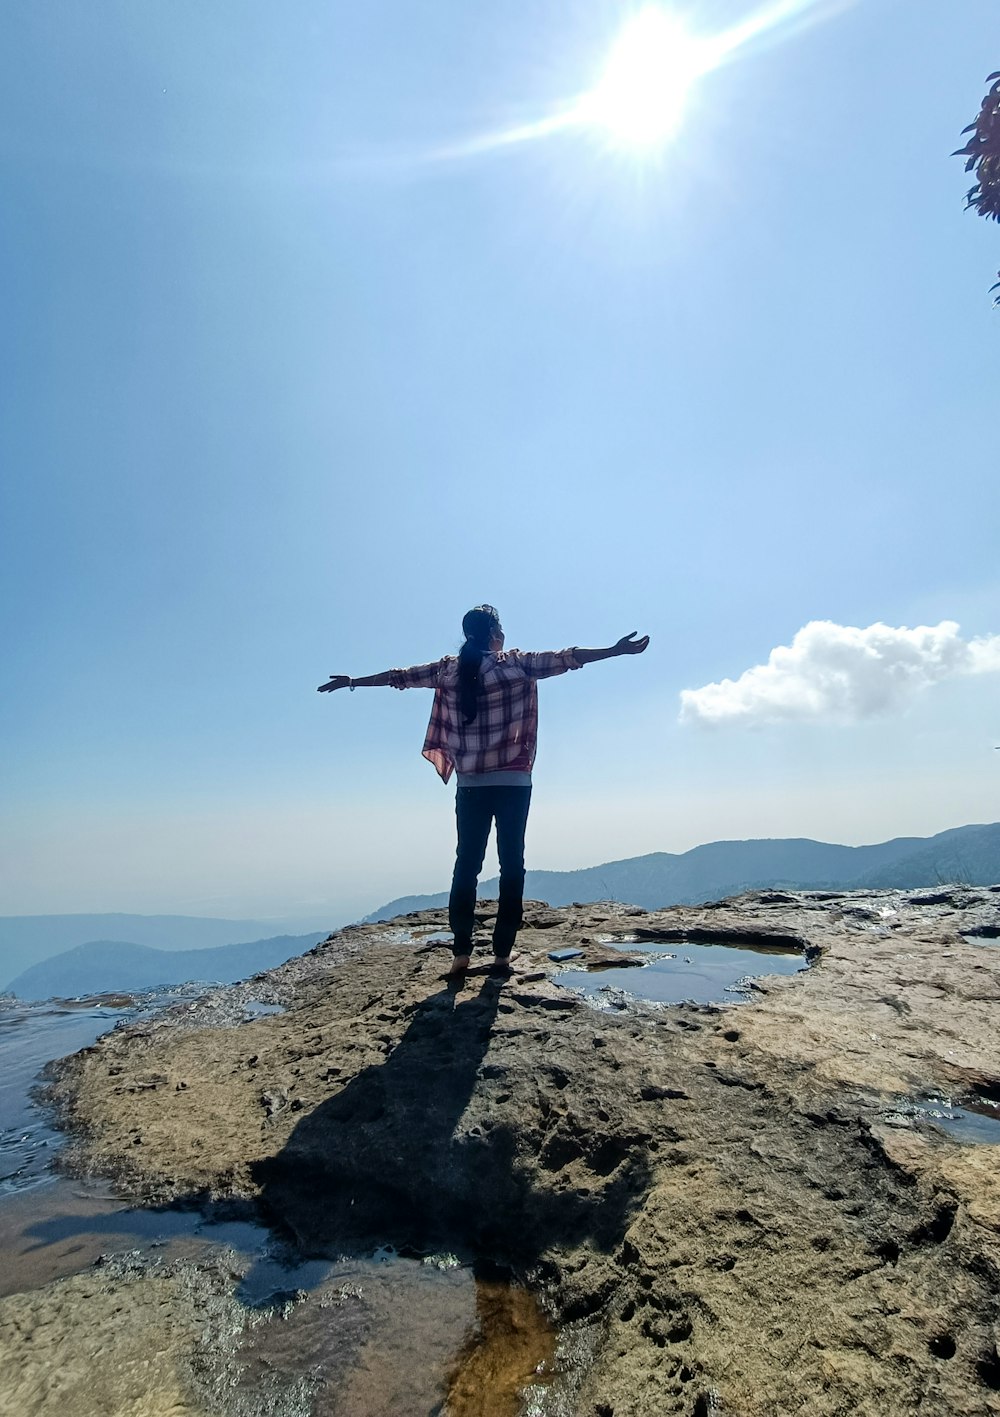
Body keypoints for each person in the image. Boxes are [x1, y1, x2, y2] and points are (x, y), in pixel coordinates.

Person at [318, 606, 649, 977]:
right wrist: (614, 650)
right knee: (512, 866)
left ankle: (461, 954)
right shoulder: (515, 664)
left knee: (466, 866)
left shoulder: (448, 669)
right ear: (495, 633)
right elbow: (567, 658)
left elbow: (400, 677)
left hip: (471, 787)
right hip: (513, 785)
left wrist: (353, 681)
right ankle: (502, 956)